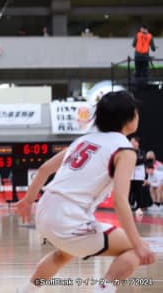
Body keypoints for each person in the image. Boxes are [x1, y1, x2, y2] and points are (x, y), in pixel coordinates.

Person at [16, 91, 155, 293]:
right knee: (135, 249)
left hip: (45, 210)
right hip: (68, 217)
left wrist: (28, 201)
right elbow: (120, 201)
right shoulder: (124, 149)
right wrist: (138, 242)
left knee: (64, 254)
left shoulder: (84, 140)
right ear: (128, 118)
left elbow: (45, 169)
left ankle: (26, 291)